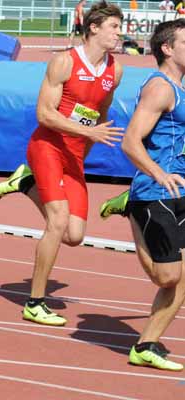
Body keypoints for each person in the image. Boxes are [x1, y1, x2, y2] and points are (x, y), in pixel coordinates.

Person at [0, 1, 124, 326]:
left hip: (74, 152)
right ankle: (35, 302)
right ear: (93, 28)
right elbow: (45, 114)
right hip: (46, 146)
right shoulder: (63, 62)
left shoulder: (114, 70)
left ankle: (25, 182)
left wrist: (83, 151)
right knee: (58, 221)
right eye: (114, 27)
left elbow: (99, 116)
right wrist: (87, 131)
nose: (119, 34)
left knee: (75, 235)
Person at [119, 19, 185, 371]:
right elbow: (130, 141)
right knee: (167, 277)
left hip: (181, 190)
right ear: (167, 49)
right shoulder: (160, 88)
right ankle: (125, 205)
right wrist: (159, 173)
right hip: (153, 190)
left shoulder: (182, 88)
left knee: (184, 276)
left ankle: (145, 345)